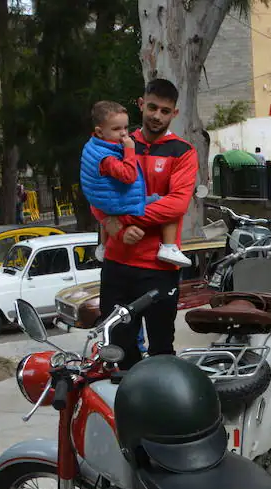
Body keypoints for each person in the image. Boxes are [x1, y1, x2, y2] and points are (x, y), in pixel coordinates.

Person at [91, 78, 197, 371]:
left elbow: (177, 203)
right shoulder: (115, 142)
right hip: (118, 264)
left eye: (165, 110)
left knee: (162, 349)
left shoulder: (183, 151)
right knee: (118, 352)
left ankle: (161, 413)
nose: (157, 116)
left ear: (174, 114)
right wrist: (107, 220)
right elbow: (95, 192)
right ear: (141, 104)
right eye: (152, 107)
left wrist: (122, 220)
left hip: (160, 268)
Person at [80, 100, 190, 267]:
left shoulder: (93, 147)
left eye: (125, 128)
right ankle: (168, 246)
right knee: (158, 199)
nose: (124, 134)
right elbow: (129, 175)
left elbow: (95, 198)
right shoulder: (109, 155)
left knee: (108, 205)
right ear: (100, 132)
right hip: (118, 209)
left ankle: (103, 245)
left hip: (108, 204)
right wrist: (130, 150)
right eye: (117, 129)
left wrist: (115, 223)